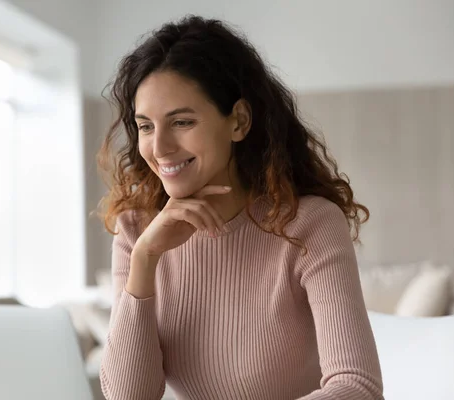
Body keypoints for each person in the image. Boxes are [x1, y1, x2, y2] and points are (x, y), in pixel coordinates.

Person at [96, 15, 384, 400]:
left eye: (181, 121)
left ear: (239, 121)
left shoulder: (309, 224)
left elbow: (357, 387)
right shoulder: (137, 231)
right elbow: (129, 396)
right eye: (146, 126)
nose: (160, 147)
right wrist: (146, 259)